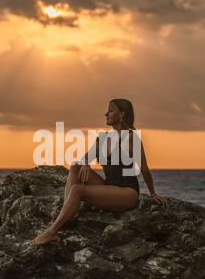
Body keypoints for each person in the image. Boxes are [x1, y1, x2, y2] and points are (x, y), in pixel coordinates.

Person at [31, 98, 168, 246]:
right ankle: (67, 213)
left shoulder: (131, 138)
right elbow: (85, 158)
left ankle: (52, 231)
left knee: (77, 190)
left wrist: (153, 193)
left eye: (110, 110)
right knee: (76, 166)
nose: (106, 114)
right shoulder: (102, 139)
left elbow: (144, 168)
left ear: (122, 114)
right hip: (109, 186)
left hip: (127, 192)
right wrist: (86, 163)